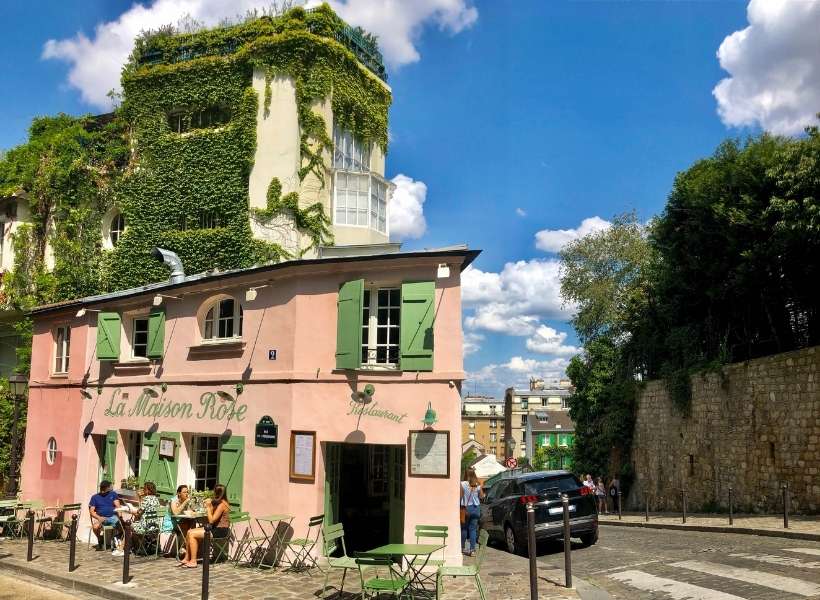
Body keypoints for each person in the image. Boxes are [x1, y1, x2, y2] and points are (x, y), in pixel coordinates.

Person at [180, 484, 231, 568]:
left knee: (192, 534)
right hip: (214, 528)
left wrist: (207, 507)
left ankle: (193, 561)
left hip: (220, 530)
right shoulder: (219, 503)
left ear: (217, 492)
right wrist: (210, 506)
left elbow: (211, 520)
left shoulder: (222, 505)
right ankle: (187, 557)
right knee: (189, 531)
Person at [89, 480, 122, 553]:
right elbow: (91, 511)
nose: (112, 487)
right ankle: (100, 540)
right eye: (110, 486)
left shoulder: (113, 494)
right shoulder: (95, 497)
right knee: (95, 527)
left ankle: (118, 543)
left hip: (112, 517)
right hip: (101, 518)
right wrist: (98, 518)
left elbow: (118, 507)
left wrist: (120, 518)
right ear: (106, 488)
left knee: (122, 526)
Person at [460, 468, 484, 557]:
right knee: (473, 530)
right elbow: (481, 497)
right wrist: (480, 487)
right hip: (476, 508)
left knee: (464, 529)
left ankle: (462, 548)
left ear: (466, 474)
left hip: (466, 509)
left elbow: (460, 496)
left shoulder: (462, 484)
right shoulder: (477, 484)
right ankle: (472, 550)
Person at [163, 484, 192, 558]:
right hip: (170, 522)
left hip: (179, 522)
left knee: (192, 523)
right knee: (187, 527)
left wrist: (190, 506)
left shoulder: (184, 500)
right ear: (179, 493)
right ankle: (185, 549)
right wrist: (185, 502)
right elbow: (175, 513)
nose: (186, 494)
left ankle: (188, 549)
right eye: (184, 492)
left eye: (187, 492)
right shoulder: (173, 500)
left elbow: (188, 511)